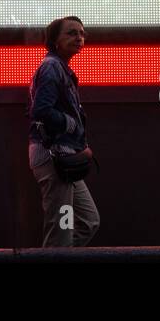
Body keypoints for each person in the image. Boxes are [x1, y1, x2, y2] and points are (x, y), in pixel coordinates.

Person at [27, 15, 99, 247]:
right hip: (53, 159)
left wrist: (80, 146)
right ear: (55, 40)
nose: (79, 38)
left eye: (81, 33)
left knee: (88, 221)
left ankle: (62, 253)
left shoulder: (62, 69)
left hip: (65, 161)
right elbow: (41, 110)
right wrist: (70, 124)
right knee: (62, 228)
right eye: (71, 33)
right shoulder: (51, 68)